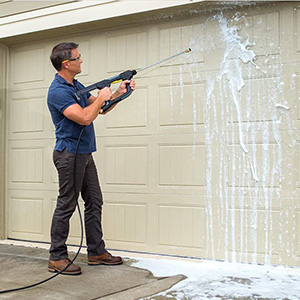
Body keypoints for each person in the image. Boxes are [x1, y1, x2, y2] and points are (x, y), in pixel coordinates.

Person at [47, 42, 135, 275]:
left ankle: (96, 252)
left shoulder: (76, 85)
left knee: (94, 201)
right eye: (78, 58)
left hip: (85, 154)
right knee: (67, 204)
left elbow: (100, 110)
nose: (81, 60)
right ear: (67, 64)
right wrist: (99, 99)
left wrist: (117, 94)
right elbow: (85, 117)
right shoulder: (58, 91)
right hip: (69, 154)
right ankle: (57, 257)